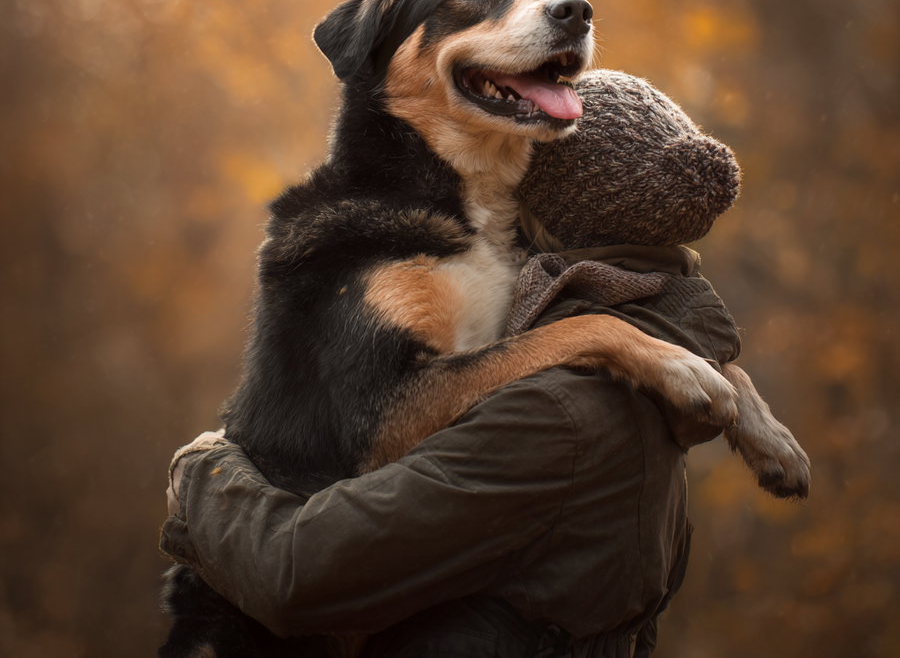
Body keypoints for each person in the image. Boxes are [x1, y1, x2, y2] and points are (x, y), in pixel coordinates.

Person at [161, 70, 745, 657]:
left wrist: (205, 475)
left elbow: (297, 573)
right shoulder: (668, 367)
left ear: (538, 215)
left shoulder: (559, 406)